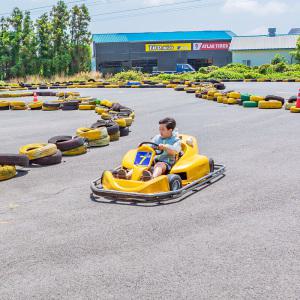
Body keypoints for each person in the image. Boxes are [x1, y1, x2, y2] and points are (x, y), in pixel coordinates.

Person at [115, 117, 181, 181]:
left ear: (170, 130)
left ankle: (152, 178)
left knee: (159, 165)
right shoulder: (157, 138)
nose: (160, 131)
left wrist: (165, 147)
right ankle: (127, 176)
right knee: (141, 164)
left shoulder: (175, 140)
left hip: (167, 163)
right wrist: (143, 146)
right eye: (160, 129)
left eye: (163, 129)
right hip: (154, 160)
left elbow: (175, 151)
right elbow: (150, 146)